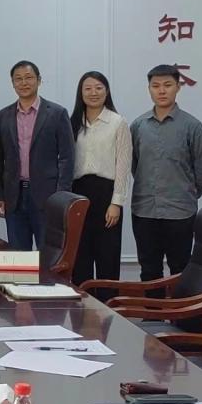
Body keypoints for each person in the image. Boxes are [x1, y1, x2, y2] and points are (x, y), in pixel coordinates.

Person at [130, 64, 202, 281]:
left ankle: (181, 306)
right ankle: (152, 305)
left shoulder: (192, 126)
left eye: (167, 85)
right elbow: (135, 165)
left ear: (178, 87)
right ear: (149, 89)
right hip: (144, 210)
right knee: (149, 269)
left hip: (180, 211)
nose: (162, 90)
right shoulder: (138, 126)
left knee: (181, 268)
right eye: (155, 86)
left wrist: (186, 193)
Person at [0, 60, 74, 249]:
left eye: (28, 77)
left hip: (48, 197)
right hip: (14, 197)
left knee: (49, 254)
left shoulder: (57, 113)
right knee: (19, 256)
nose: (23, 83)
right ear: (12, 83)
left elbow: (67, 158)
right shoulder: (3, 116)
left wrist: (61, 196)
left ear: (39, 80)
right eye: (18, 79)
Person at [70, 71, 132, 285]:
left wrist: (116, 203)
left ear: (107, 91)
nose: (93, 93)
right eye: (87, 88)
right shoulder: (73, 122)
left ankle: (108, 303)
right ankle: (84, 302)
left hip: (106, 194)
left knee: (107, 255)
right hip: (77, 193)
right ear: (81, 93)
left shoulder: (118, 122)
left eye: (98, 88)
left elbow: (123, 165)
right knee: (80, 255)